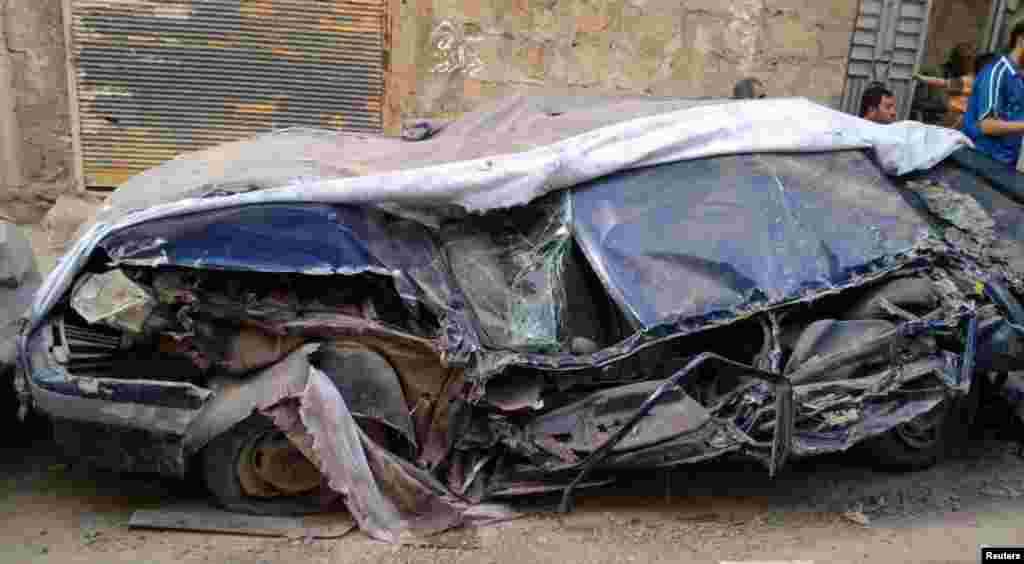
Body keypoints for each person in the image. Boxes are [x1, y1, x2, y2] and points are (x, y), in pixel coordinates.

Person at [963, 21, 1024, 164]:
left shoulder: (1018, 77)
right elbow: (987, 125)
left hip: (1004, 164)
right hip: (980, 162)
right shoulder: (997, 72)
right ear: (1021, 40)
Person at [914, 45, 996, 129]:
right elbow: (943, 83)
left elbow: (943, 83)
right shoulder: (976, 83)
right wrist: (922, 78)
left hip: (958, 116)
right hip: (957, 116)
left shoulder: (970, 81)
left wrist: (922, 78)